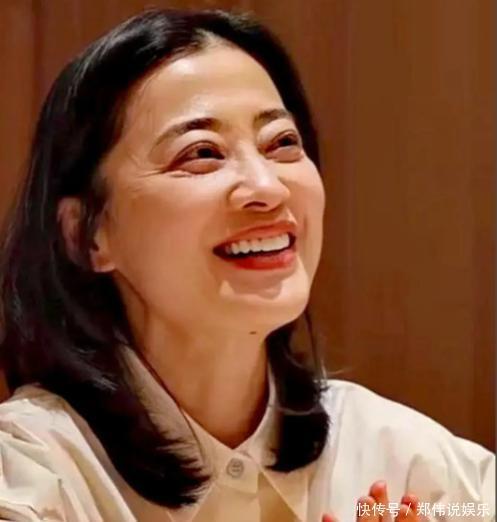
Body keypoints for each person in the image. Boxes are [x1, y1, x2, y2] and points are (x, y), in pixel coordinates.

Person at [0, 8, 493, 522]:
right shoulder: (30, 471)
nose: (267, 187)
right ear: (86, 234)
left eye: (282, 143)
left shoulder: (401, 463)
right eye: (202, 153)